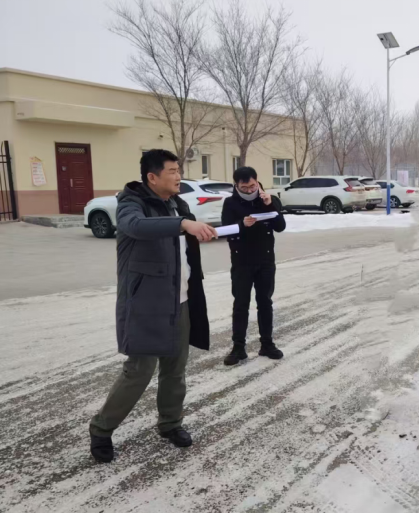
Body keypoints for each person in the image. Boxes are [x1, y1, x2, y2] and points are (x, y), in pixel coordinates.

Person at [89, 149, 216, 463]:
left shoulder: (177, 204)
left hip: (180, 300)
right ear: (152, 177)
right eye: (172, 171)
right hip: (145, 303)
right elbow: (136, 226)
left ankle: (170, 423)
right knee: (139, 371)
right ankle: (101, 429)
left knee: (175, 370)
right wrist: (183, 224)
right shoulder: (131, 203)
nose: (178, 176)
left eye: (178, 170)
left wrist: (195, 228)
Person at [221, 167, 287, 366]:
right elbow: (226, 230)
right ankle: (238, 348)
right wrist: (242, 224)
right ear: (236, 186)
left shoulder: (268, 199)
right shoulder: (230, 203)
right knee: (241, 304)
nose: (250, 190)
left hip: (265, 260)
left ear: (257, 182)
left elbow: (280, 226)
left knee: (265, 302)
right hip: (241, 261)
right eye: (245, 187)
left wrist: (269, 205)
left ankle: (267, 344)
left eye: (252, 186)